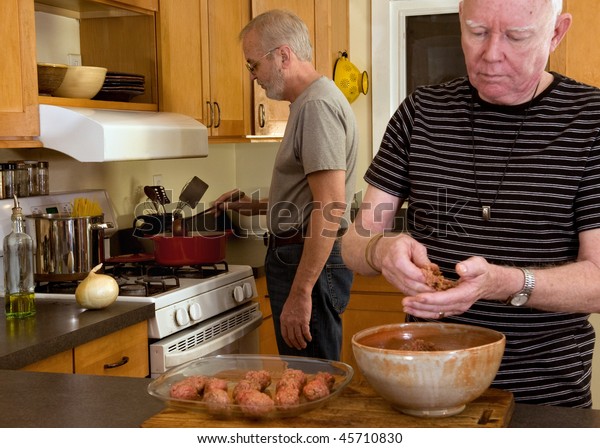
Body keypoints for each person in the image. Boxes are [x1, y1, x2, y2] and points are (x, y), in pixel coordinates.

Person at [342, 0, 600, 408]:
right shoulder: (420, 113)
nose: (491, 53)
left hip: (543, 400)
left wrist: (507, 284)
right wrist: (380, 250)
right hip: (425, 388)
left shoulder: (592, 122)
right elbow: (354, 243)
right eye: (477, 31)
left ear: (556, 33)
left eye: (516, 36)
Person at [213, 9, 358, 361]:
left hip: (304, 260)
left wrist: (302, 290)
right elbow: (311, 195)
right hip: (301, 256)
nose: (253, 77)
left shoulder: (316, 107)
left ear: (283, 55)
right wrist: (256, 205)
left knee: (312, 381)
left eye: (253, 65)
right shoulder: (308, 102)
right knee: (308, 375)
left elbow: (329, 204)